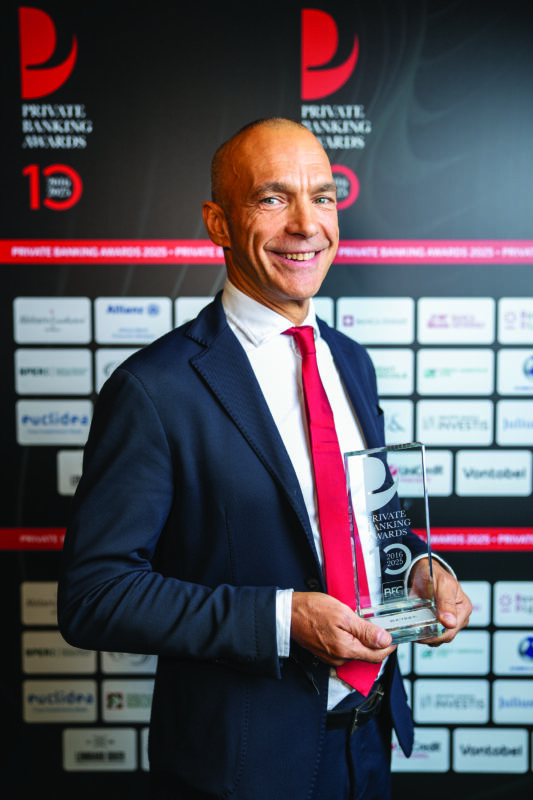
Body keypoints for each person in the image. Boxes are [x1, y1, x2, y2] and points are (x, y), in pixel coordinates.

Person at [58, 118, 471, 800]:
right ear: (218, 223)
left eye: (323, 196)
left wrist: (419, 567)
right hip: (241, 769)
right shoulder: (154, 388)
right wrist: (283, 621)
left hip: (367, 743)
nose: (307, 224)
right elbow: (94, 596)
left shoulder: (350, 361)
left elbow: (370, 520)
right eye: (273, 199)